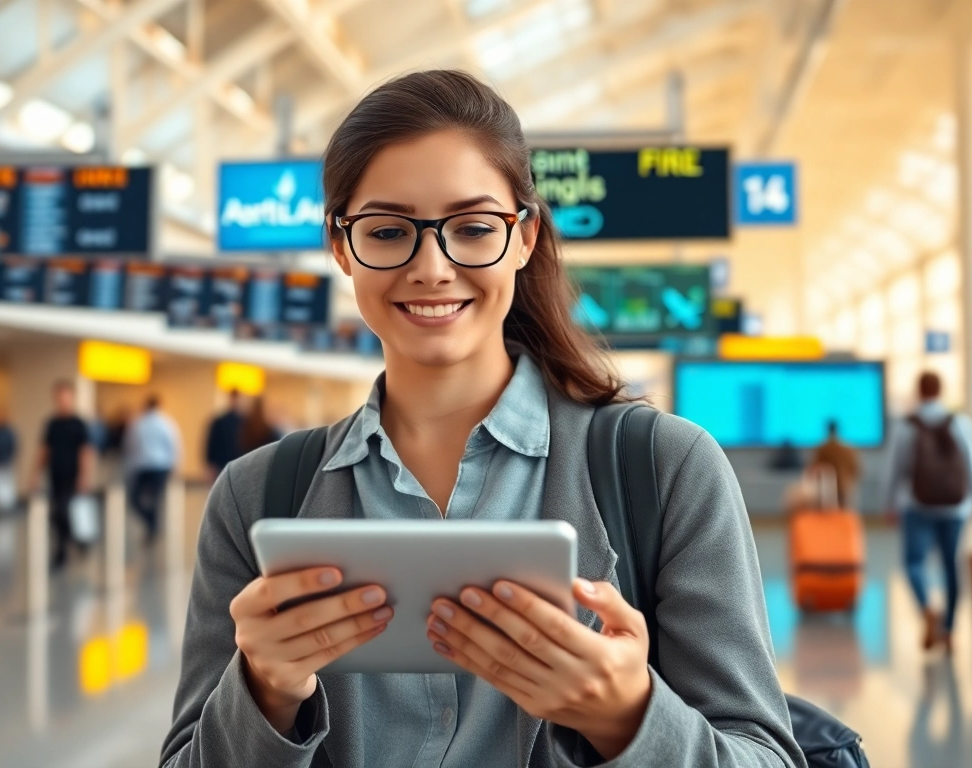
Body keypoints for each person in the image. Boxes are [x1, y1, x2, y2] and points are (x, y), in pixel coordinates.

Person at [161, 70, 804, 768]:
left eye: (472, 228)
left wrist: (631, 719)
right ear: (340, 247)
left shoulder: (665, 470)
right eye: (387, 231)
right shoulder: (256, 497)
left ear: (525, 237)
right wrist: (261, 694)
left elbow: (765, 755)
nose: (432, 267)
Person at [883, 371, 972, 655]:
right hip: (956, 506)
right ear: (941, 391)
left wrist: (889, 503)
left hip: (917, 505)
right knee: (951, 565)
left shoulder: (907, 425)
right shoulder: (961, 422)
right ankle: (950, 630)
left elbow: (895, 467)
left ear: (919, 391)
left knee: (914, 563)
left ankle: (928, 609)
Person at [32, 380, 95, 570]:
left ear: (71, 398)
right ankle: (64, 547)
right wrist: (35, 473)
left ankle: (76, 542)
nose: (62, 401)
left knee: (65, 511)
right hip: (56, 475)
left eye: (65, 397)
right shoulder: (52, 424)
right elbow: (45, 450)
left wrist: (84, 476)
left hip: (72, 475)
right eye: (59, 397)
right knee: (57, 514)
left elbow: (85, 451)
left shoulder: (79, 424)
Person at [126, 394, 182, 544]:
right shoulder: (165, 423)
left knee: (136, 499)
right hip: (159, 467)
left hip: (143, 466)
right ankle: (153, 524)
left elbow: (130, 446)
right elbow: (174, 445)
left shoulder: (139, 423)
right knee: (155, 500)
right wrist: (175, 465)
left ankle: (152, 525)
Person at [812, 420, 860, 506]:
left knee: (828, 515)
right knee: (843, 513)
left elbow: (815, 468)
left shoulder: (823, 449)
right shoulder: (847, 449)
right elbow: (855, 468)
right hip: (844, 484)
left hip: (827, 487)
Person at [204, 390, 244, 480]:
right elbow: (212, 443)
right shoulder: (220, 421)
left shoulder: (245, 422)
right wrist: (210, 464)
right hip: (221, 463)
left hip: (239, 461)